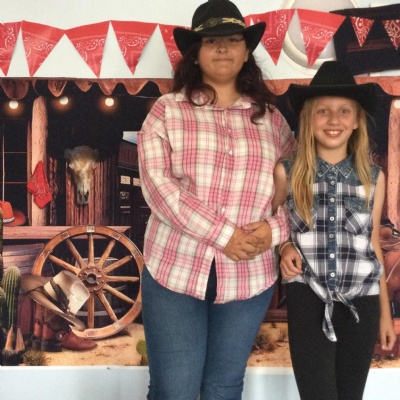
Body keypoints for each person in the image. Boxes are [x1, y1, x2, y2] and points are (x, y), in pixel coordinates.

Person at [137, 0, 297, 398]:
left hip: (249, 276)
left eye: (233, 40)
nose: (223, 48)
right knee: (175, 389)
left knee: (224, 388)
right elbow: (158, 188)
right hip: (175, 270)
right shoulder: (166, 112)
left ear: (246, 52)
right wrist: (225, 234)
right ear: (195, 54)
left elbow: (300, 184)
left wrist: (276, 230)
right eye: (211, 41)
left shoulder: (272, 120)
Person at [272, 60, 397, 400]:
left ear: (356, 121)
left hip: (362, 302)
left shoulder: (373, 178)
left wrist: (385, 315)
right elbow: (275, 228)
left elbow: (373, 246)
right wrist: (284, 247)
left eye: (344, 111)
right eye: (323, 111)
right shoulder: (288, 172)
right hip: (308, 299)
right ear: (308, 119)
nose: (334, 120)